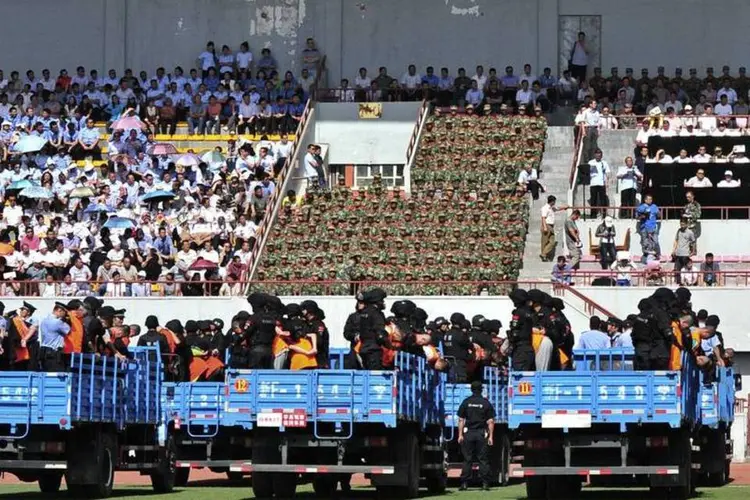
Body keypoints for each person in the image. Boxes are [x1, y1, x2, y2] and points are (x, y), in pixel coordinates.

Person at [457, 380, 495, 492]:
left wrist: (460, 435)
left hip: (468, 433)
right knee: (483, 459)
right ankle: (485, 483)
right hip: (481, 433)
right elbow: (490, 421)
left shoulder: (466, 402)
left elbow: (461, 420)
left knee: (467, 459)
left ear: (471, 389)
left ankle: (464, 483)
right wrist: (491, 436)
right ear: (481, 389)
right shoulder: (485, 403)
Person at [343, 288, 387, 370]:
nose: (360, 304)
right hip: (360, 348)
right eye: (359, 302)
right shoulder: (355, 316)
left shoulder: (369, 313)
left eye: (362, 303)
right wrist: (355, 336)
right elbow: (347, 333)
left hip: (366, 347)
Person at [38, 302, 72, 371]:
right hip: (54, 353)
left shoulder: (44, 320)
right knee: (57, 376)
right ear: (59, 310)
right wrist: (67, 320)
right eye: (65, 312)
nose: (65, 314)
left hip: (43, 351)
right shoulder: (58, 322)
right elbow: (69, 331)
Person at [442, 313, 474, 382]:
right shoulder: (461, 334)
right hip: (459, 363)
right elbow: (469, 345)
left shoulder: (446, 333)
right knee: (460, 382)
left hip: (447, 362)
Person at [540, 195, 569, 262]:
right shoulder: (545, 208)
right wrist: (544, 227)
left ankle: (543, 254)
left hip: (551, 226)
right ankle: (543, 255)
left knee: (552, 242)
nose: (555, 202)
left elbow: (557, 208)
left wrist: (564, 207)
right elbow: (543, 218)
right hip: (547, 225)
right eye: (554, 201)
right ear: (552, 201)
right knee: (544, 242)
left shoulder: (551, 208)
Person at [672, 218, 696, 282]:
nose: (682, 226)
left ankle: (686, 281)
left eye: (683, 224)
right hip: (678, 253)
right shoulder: (679, 231)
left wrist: (693, 251)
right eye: (681, 224)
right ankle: (678, 282)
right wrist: (674, 250)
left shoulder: (690, 232)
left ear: (687, 224)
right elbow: (676, 240)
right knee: (677, 269)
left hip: (685, 254)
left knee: (685, 269)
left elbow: (693, 242)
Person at [588, 149, 610, 218]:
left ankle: (604, 214)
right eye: (597, 154)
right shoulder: (591, 162)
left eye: (600, 155)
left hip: (601, 183)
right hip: (593, 183)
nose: (598, 156)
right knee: (593, 199)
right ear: (595, 155)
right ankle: (593, 214)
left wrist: (607, 181)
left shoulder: (604, 163)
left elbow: (607, 172)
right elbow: (587, 171)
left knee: (603, 199)